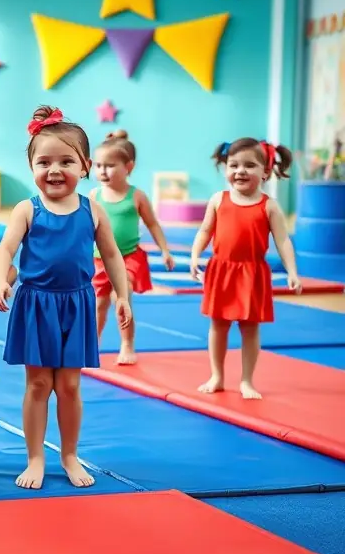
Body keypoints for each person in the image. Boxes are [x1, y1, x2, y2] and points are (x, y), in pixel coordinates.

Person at [0, 106, 131, 490]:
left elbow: (113, 255)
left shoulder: (92, 209)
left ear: (84, 166)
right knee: (37, 385)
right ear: (31, 165)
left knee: (69, 385)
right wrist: (0, 281)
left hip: (77, 304)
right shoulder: (27, 209)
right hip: (36, 304)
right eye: (44, 161)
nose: (54, 170)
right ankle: (35, 457)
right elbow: (5, 250)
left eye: (66, 161)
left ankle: (69, 454)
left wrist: (123, 295)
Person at [190, 137, 300, 399]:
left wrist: (292, 272)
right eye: (234, 164)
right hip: (222, 271)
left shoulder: (269, 206)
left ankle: (247, 380)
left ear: (265, 172)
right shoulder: (219, 199)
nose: (240, 171)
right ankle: (217, 375)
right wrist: (195, 256)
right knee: (218, 325)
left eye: (249, 165)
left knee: (250, 329)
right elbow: (205, 230)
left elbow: (283, 241)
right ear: (226, 168)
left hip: (252, 273)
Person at [89, 129, 175, 364]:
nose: (102, 171)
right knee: (99, 304)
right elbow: (85, 228)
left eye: (109, 165)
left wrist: (164, 250)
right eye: (98, 166)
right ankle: (93, 343)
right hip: (99, 258)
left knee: (122, 296)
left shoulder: (136, 196)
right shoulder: (94, 195)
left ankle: (127, 344)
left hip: (128, 256)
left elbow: (153, 225)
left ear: (129, 167)